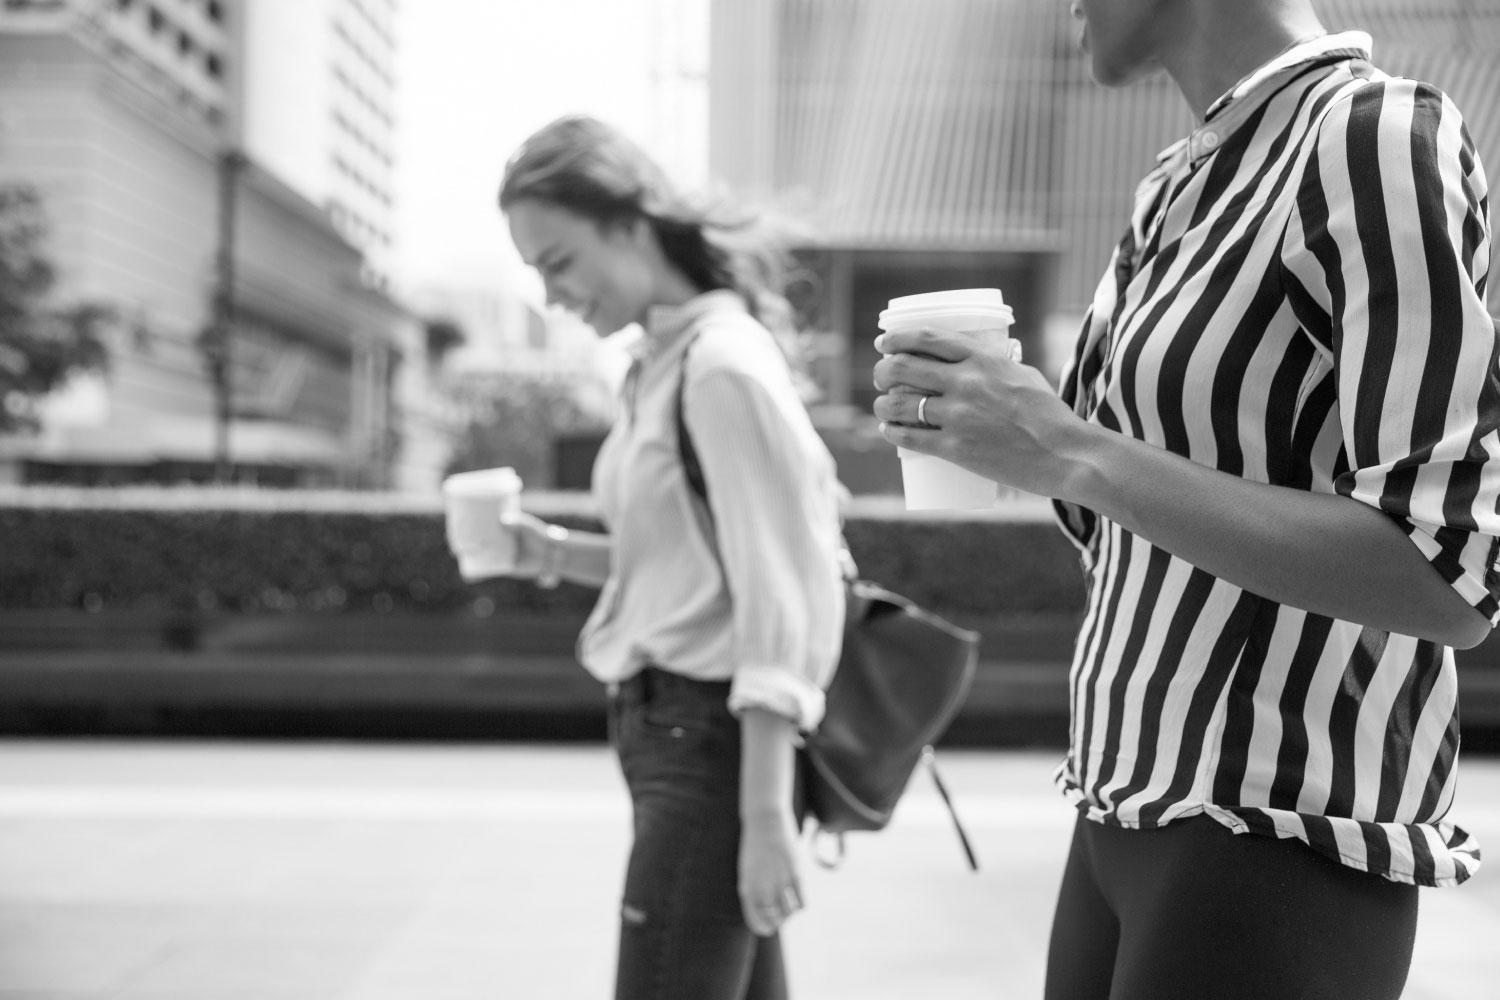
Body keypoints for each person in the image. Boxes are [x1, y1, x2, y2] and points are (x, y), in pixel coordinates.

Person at [873, 2, 1499, 998]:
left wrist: (1065, 446)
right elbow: (1105, 505)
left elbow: (1445, 571)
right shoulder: (1175, 184)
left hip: (1278, 830)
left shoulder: (1374, 136)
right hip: (1121, 804)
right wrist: (992, 426)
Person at [490, 115, 846, 1000]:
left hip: (710, 748)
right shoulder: (662, 362)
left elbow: (782, 592)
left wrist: (762, 814)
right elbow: (687, 563)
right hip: (677, 741)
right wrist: (549, 552)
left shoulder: (720, 366)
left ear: (630, 223)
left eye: (558, 261)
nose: (550, 295)